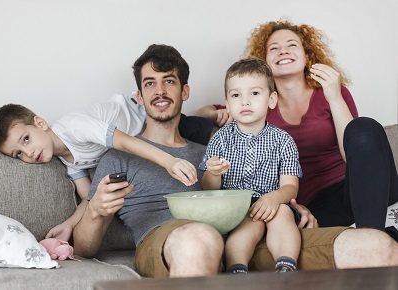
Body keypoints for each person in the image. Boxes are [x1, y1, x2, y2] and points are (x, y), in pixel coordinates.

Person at [73, 43, 398, 278]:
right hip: (174, 239)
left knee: (377, 244)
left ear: (185, 92)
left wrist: (294, 205)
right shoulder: (120, 156)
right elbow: (85, 248)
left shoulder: (213, 147)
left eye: (168, 81)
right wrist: (97, 211)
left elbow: (269, 183)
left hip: (251, 238)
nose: (159, 91)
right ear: (139, 96)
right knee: (201, 237)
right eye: (149, 84)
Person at [199, 20, 398, 240]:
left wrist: (334, 96)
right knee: (295, 224)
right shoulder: (255, 103)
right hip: (312, 203)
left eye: (292, 45)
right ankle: (373, 238)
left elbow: (352, 152)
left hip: (356, 187)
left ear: (307, 55)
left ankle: (373, 239)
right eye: (273, 48)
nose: (283, 50)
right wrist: (212, 113)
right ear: (264, 61)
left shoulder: (331, 92)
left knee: (365, 127)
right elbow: (202, 114)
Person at [0, 95, 204, 242]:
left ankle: (208, 112)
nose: (29, 153)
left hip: (142, 112)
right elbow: (90, 198)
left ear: (40, 123)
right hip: (144, 133)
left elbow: (124, 142)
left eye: (26, 140)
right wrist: (68, 225)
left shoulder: (74, 127)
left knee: (196, 127)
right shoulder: (69, 162)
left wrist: (169, 161)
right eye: (18, 154)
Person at [201, 58, 302, 273]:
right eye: (236, 95)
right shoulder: (220, 139)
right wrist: (213, 172)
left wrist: (274, 198)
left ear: (272, 99)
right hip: (235, 207)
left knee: (283, 213)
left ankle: (286, 266)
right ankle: (237, 268)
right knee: (248, 222)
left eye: (254, 94)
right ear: (227, 103)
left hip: (272, 202)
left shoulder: (283, 140)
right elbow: (208, 189)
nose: (245, 102)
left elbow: (290, 187)